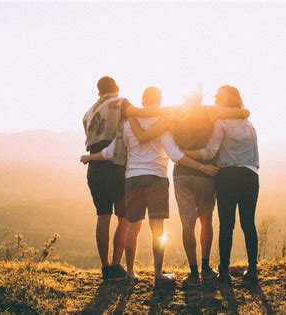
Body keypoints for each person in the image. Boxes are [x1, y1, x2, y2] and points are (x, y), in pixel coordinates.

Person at [80, 87, 219, 285]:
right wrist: (202, 167)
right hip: (157, 178)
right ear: (160, 100)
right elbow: (175, 154)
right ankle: (158, 275)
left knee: (132, 228)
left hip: (132, 178)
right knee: (158, 229)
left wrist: (89, 157)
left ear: (142, 101)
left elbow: (111, 152)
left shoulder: (127, 123)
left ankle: (129, 273)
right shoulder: (162, 122)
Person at [127, 89, 250, 284]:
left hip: (182, 173)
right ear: (201, 96)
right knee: (206, 220)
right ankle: (205, 267)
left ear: (184, 96)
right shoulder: (211, 111)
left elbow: (145, 126)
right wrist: (244, 112)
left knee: (187, 223)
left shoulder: (172, 112)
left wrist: (130, 112)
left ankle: (192, 272)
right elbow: (243, 113)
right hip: (206, 173)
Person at [81, 76, 165, 281]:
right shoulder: (121, 103)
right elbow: (143, 113)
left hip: (95, 167)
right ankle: (117, 266)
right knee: (124, 218)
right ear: (116, 88)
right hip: (115, 166)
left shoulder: (89, 112)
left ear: (98, 91)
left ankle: (105, 267)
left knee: (102, 216)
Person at [183, 85, 259, 284]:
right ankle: (252, 271)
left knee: (227, 225)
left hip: (227, 177)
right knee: (248, 224)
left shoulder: (221, 122)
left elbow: (210, 152)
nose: (215, 100)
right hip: (250, 176)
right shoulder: (248, 123)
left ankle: (224, 272)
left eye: (218, 98)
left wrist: (185, 154)